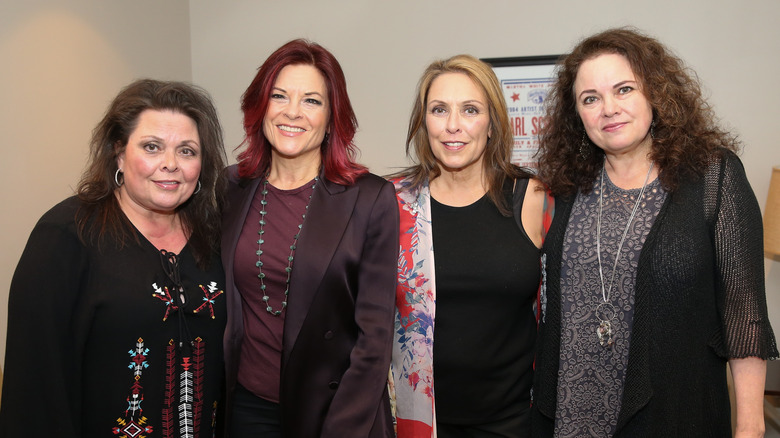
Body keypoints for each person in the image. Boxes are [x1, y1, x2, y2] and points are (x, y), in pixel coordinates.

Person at [531, 27, 778, 438]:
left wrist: (749, 427)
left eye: (624, 89)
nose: (609, 108)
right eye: (590, 99)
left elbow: (743, 311)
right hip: (570, 416)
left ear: (656, 94)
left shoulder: (712, 176)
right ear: (577, 115)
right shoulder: (569, 186)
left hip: (676, 413)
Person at [0, 79, 228, 437]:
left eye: (187, 151)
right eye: (152, 147)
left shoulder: (214, 236)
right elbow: (35, 384)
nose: (170, 164)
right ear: (119, 153)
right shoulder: (66, 236)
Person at [221, 39, 398, 438]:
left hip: (335, 412)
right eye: (279, 96)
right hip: (245, 407)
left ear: (333, 116)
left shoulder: (369, 198)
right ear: (260, 106)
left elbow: (375, 339)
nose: (292, 112)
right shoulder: (230, 187)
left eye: (312, 101)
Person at [389, 54, 553, 437]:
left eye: (470, 110)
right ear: (423, 121)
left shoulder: (534, 198)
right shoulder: (394, 203)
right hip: (420, 423)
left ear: (493, 123)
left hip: (515, 421)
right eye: (439, 109)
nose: (452, 126)